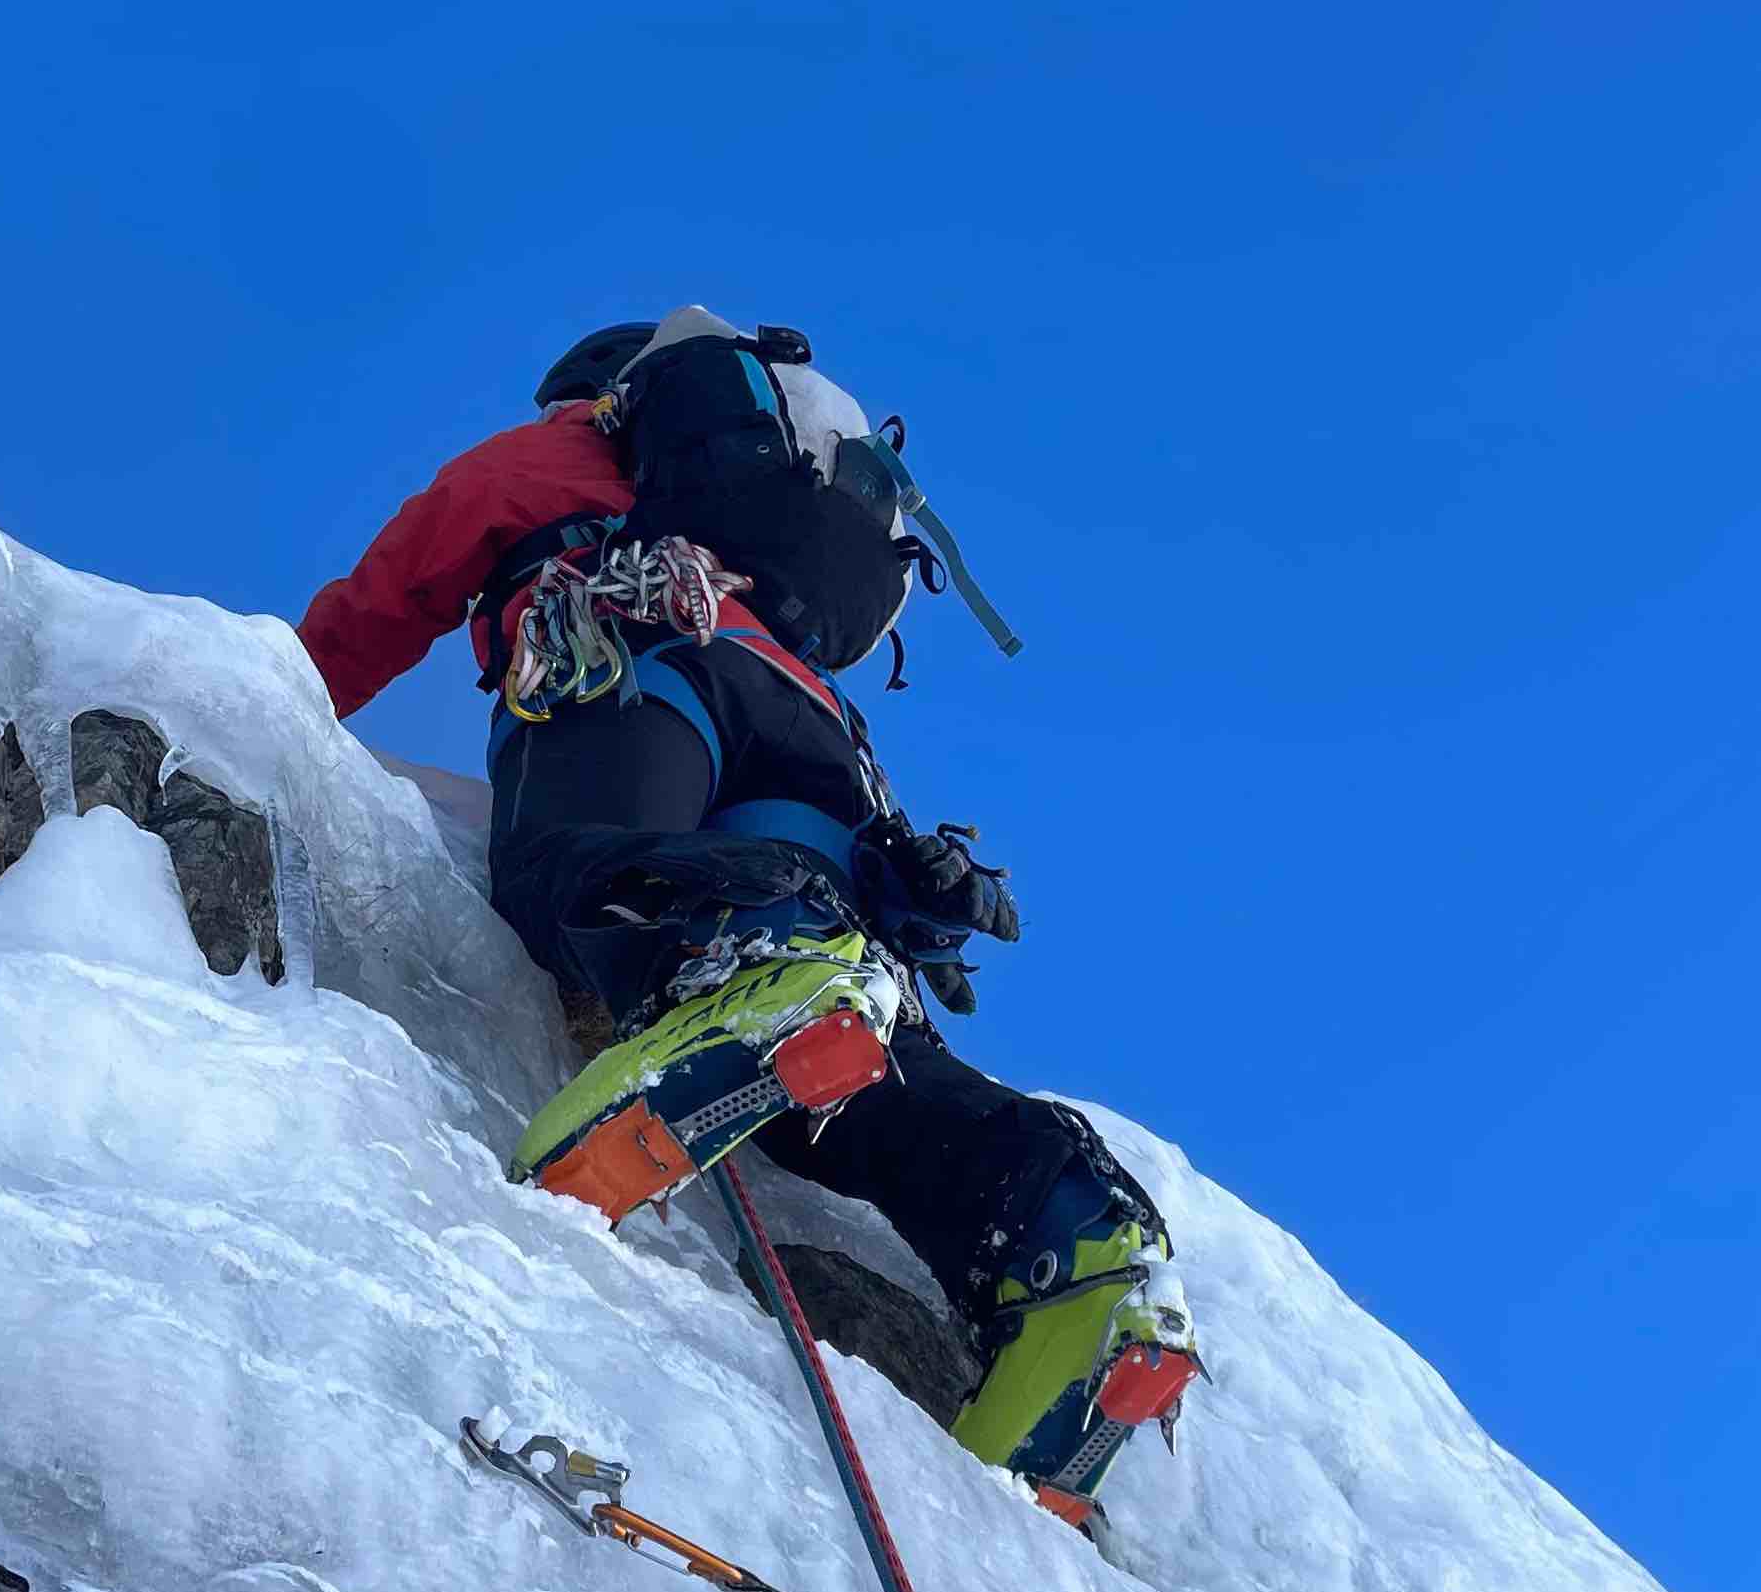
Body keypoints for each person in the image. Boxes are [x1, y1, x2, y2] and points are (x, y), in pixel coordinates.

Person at [298, 308, 1195, 1528]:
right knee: (867, 1082)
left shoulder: (556, 457)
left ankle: (765, 979)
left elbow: (394, 588)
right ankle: (1071, 1240)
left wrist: (277, 694)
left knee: (584, 865)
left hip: (637, 646)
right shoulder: (790, 564)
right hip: (823, 762)